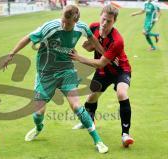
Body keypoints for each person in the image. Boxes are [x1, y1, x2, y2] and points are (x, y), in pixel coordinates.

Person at [2, 5, 108, 153]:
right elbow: (28, 37)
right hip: (45, 73)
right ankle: (39, 127)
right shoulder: (50, 27)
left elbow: (93, 39)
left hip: (66, 70)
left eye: (68, 23)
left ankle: (98, 141)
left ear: (75, 22)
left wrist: (105, 55)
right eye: (63, 20)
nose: (64, 24)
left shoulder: (81, 27)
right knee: (38, 113)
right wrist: (12, 54)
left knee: (77, 106)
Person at [70, 4, 134, 148]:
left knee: (122, 93)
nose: (105, 23)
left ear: (114, 22)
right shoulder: (93, 27)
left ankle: (125, 135)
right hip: (104, 72)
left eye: (109, 21)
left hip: (120, 70)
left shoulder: (117, 41)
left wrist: (79, 58)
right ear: (100, 16)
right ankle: (88, 122)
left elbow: (100, 63)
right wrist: (90, 46)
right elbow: (87, 45)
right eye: (103, 19)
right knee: (91, 98)